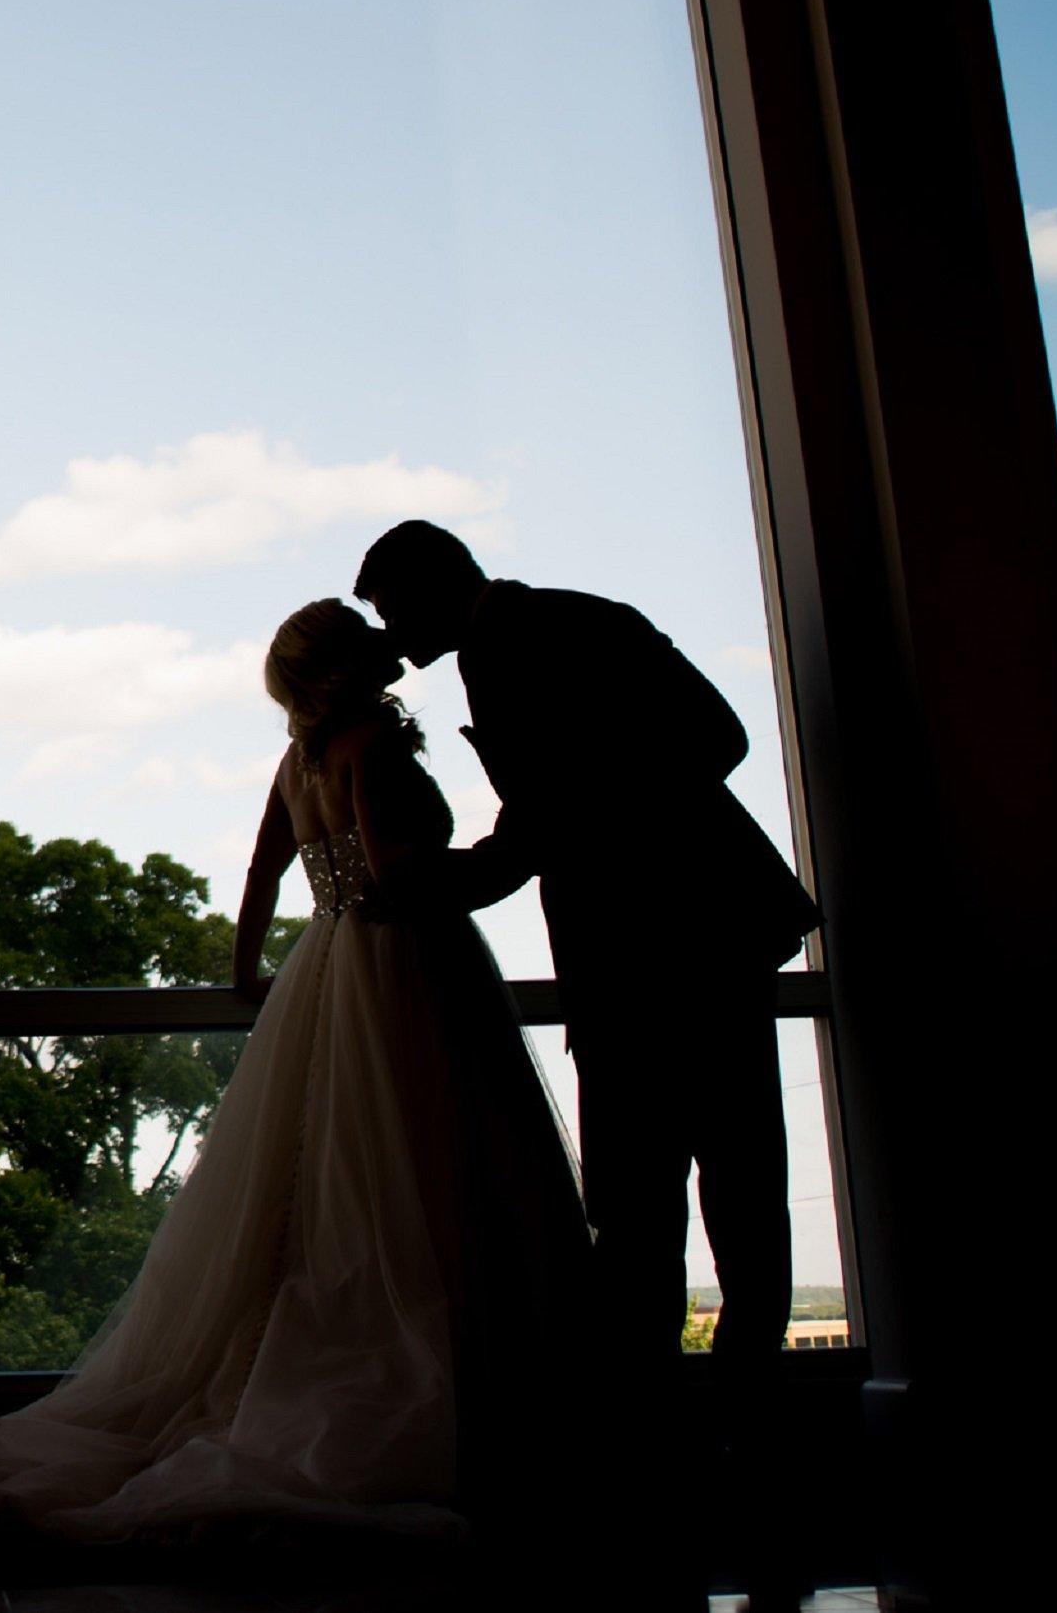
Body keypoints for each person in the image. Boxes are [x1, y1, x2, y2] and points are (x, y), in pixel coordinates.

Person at [0, 600, 583, 1541]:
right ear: (343, 665)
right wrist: (520, 851)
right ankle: (486, 1413)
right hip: (407, 965)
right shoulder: (371, 743)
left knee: (334, 1183)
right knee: (435, 1169)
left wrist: (247, 967)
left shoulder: (300, 759)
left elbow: (266, 864)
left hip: (328, 963)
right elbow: (395, 876)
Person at [352, 518, 821, 1604]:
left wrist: (488, 867)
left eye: (391, 611)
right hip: (677, 947)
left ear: (427, 592)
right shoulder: (547, 630)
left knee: (663, 1208)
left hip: (663, 948)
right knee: (707, 1199)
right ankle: (721, 1447)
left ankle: (692, 1452)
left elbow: (678, 754)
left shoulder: (539, 636)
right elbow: (657, 764)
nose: (389, 634)